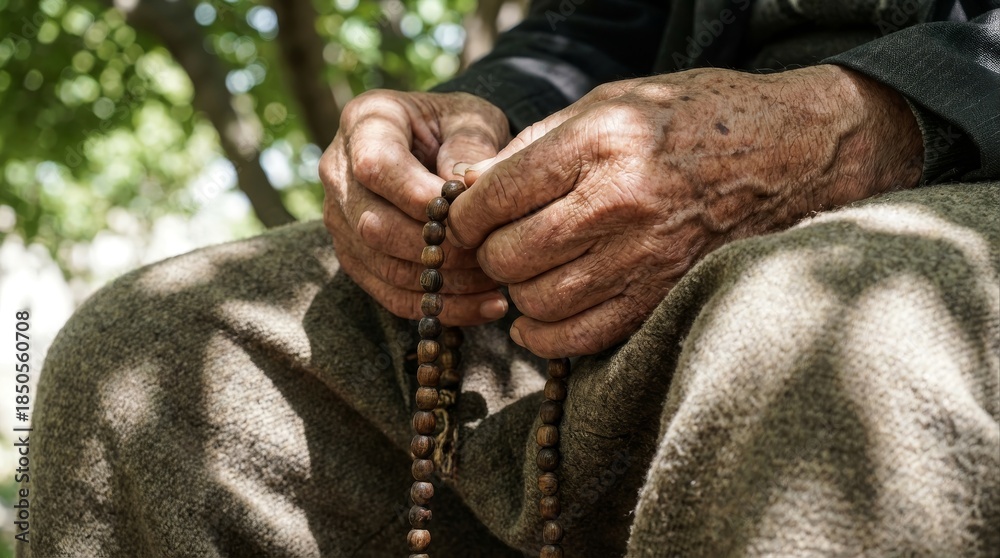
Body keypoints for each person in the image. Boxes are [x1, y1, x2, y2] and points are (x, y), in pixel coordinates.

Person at [24, 1, 998, 556]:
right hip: (653, 180)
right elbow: (596, 23)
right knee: (155, 355)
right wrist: (477, 112)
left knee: (825, 334)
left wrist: (865, 119)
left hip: (959, 170)